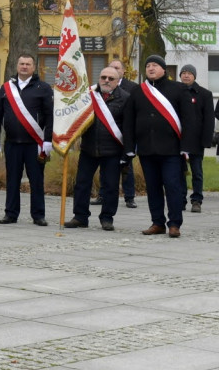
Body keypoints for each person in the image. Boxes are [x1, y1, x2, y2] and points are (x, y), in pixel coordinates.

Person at [124, 55, 195, 238]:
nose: (151, 68)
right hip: (147, 149)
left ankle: (174, 224)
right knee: (153, 187)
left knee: (173, 186)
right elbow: (129, 121)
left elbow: (189, 120)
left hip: (171, 150)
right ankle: (157, 222)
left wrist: (186, 147)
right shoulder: (138, 91)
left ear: (164, 69)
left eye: (155, 65)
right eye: (148, 65)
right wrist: (130, 147)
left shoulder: (179, 89)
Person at [0, 53, 53, 226]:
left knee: (36, 180)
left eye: (28, 64)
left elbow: (50, 115)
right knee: (12, 179)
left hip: (35, 144)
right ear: (17, 66)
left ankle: (38, 215)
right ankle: (11, 213)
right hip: (12, 143)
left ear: (34, 67)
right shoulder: (6, 88)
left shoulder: (43, 88)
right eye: (22, 63)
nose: (24, 66)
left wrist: (48, 139)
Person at [65, 66, 129, 231]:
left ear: (117, 81)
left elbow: (129, 127)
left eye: (110, 78)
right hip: (89, 148)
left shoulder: (125, 98)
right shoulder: (87, 95)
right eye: (103, 77)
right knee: (82, 183)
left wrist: (127, 152)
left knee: (110, 186)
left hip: (112, 151)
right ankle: (80, 216)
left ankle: (107, 218)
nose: (106, 81)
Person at [179, 64, 214, 212]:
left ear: (194, 76)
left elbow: (209, 119)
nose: (186, 75)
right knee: (178, 172)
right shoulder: (175, 92)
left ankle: (196, 200)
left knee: (197, 172)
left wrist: (206, 140)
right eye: (183, 73)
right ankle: (180, 200)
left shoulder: (205, 94)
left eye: (189, 73)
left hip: (196, 141)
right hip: (178, 141)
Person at [107, 59, 138, 208]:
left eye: (117, 67)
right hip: (107, 133)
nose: (114, 69)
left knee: (127, 167)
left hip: (125, 133)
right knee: (105, 168)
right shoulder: (103, 86)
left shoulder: (132, 88)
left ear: (123, 71)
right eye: (111, 67)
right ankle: (102, 195)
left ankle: (129, 197)